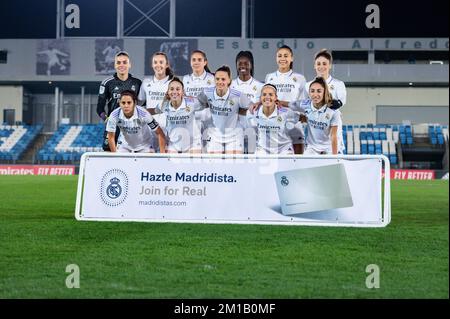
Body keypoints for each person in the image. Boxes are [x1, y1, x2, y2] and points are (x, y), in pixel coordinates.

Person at [197, 65, 252, 154]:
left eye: (223, 79)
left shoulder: (238, 95)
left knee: (233, 163)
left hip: (234, 135)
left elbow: (251, 107)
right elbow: (197, 102)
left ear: (229, 80)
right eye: (217, 79)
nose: (220, 82)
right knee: (215, 164)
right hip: (215, 134)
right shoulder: (207, 92)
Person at [302, 49, 347, 153]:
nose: (321, 66)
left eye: (324, 63)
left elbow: (339, 103)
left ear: (330, 65)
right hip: (314, 134)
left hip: (331, 129)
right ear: (314, 65)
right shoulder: (308, 85)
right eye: (318, 63)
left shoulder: (338, 84)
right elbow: (306, 105)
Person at [264, 45, 306, 154]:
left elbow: (303, 104)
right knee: (273, 162)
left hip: (294, 124)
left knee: (298, 161)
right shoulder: (270, 77)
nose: (283, 58)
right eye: (280, 56)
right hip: (275, 125)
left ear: (292, 58)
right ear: (276, 58)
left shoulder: (300, 78)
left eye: (286, 56)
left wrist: (300, 116)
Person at [97, 51, 142, 151]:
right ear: (115, 65)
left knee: (133, 158)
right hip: (114, 127)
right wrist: (107, 119)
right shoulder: (107, 83)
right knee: (110, 157)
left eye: (124, 62)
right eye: (118, 62)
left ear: (129, 64)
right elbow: (99, 108)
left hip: (132, 128)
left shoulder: (137, 83)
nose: (121, 65)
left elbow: (143, 104)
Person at [289, 77, 339, 155]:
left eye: (319, 91)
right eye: (312, 91)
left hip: (327, 148)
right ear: (309, 93)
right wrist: (277, 102)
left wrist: (335, 156)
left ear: (324, 92)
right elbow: (290, 104)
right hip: (311, 148)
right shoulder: (306, 104)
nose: (315, 95)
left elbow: (334, 136)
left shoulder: (333, 111)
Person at [247, 84, 300, 155]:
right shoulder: (254, 112)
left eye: (271, 94)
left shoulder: (286, 112)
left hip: (283, 148)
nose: (267, 97)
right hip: (263, 149)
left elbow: (301, 118)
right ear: (260, 98)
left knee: (287, 163)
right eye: (264, 94)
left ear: (276, 98)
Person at [158, 77, 206, 153]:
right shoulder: (164, 104)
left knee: (193, 163)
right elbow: (154, 111)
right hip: (174, 144)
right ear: (168, 92)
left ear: (183, 92)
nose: (174, 92)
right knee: (170, 164)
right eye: (171, 89)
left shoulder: (192, 102)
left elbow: (206, 103)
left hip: (193, 144)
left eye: (178, 89)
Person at [231, 51, 264, 153]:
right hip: (235, 127)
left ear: (251, 65)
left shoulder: (260, 86)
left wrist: (240, 109)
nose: (243, 66)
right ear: (236, 65)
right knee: (237, 158)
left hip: (253, 128)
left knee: (252, 158)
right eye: (240, 63)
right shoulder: (230, 85)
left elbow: (260, 108)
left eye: (246, 63)